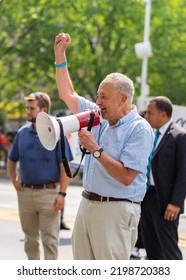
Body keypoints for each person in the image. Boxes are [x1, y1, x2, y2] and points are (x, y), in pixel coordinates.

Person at [54, 32, 154, 260]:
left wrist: (96, 150)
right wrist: (60, 56)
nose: (98, 102)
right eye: (98, 97)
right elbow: (67, 93)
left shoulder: (139, 129)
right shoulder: (99, 116)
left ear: (123, 99)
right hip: (88, 203)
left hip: (117, 210)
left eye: (104, 97)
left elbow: (128, 176)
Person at [7, 92, 73, 260]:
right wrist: (15, 181)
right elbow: (11, 159)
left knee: (50, 240)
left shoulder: (57, 132)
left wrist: (62, 193)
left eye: (31, 108)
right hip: (26, 193)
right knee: (30, 240)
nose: (28, 111)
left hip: (49, 194)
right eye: (27, 108)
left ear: (43, 110)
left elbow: (65, 167)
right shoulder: (22, 133)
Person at [140, 96, 186, 259]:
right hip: (147, 198)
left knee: (169, 250)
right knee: (152, 248)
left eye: (150, 113)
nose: (147, 116)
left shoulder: (180, 136)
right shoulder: (151, 134)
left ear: (163, 114)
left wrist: (175, 202)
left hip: (166, 202)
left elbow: (184, 173)